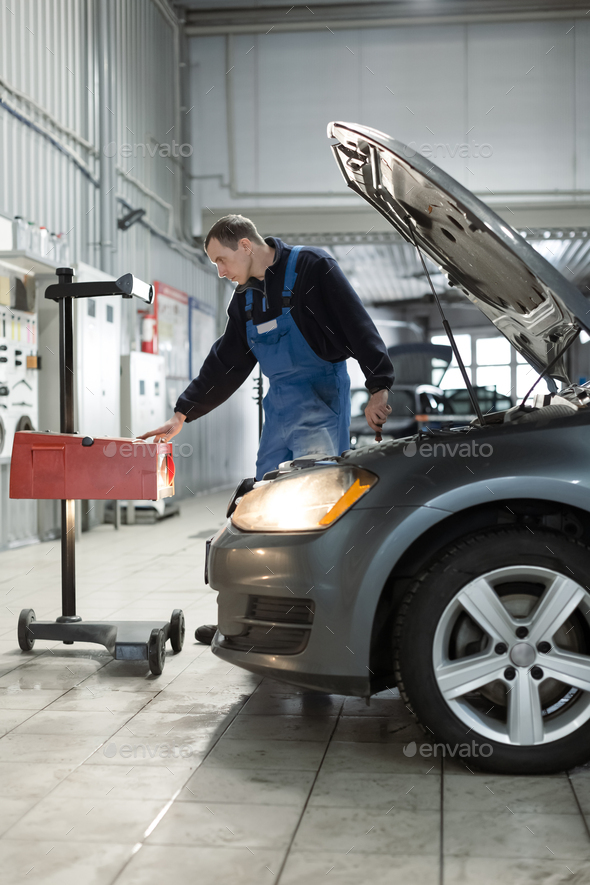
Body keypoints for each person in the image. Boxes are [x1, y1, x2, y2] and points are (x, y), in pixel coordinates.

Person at [141, 215, 394, 645]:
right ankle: (252, 617)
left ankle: (319, 621)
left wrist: (379, 387)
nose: (220, 271)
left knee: (313, 508)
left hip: (322, 398)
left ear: (245, 245)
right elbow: (227, 361)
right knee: (259, 506)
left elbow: (357, 324)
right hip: (278, 410)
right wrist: (184, 411)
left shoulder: (314, 269)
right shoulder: (245, 301)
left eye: (222, 260)